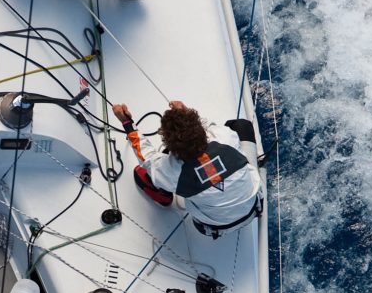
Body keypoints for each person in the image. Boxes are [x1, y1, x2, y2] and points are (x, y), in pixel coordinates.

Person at [112, 101, 262, 237]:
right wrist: (186, 112)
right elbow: (209, 127)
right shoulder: (226, 138)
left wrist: (127, 122)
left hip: (214, 227)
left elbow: (146, 157)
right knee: (242, 126)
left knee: (150, 171)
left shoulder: (172, 172)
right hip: (254, 208)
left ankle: (163, 195)